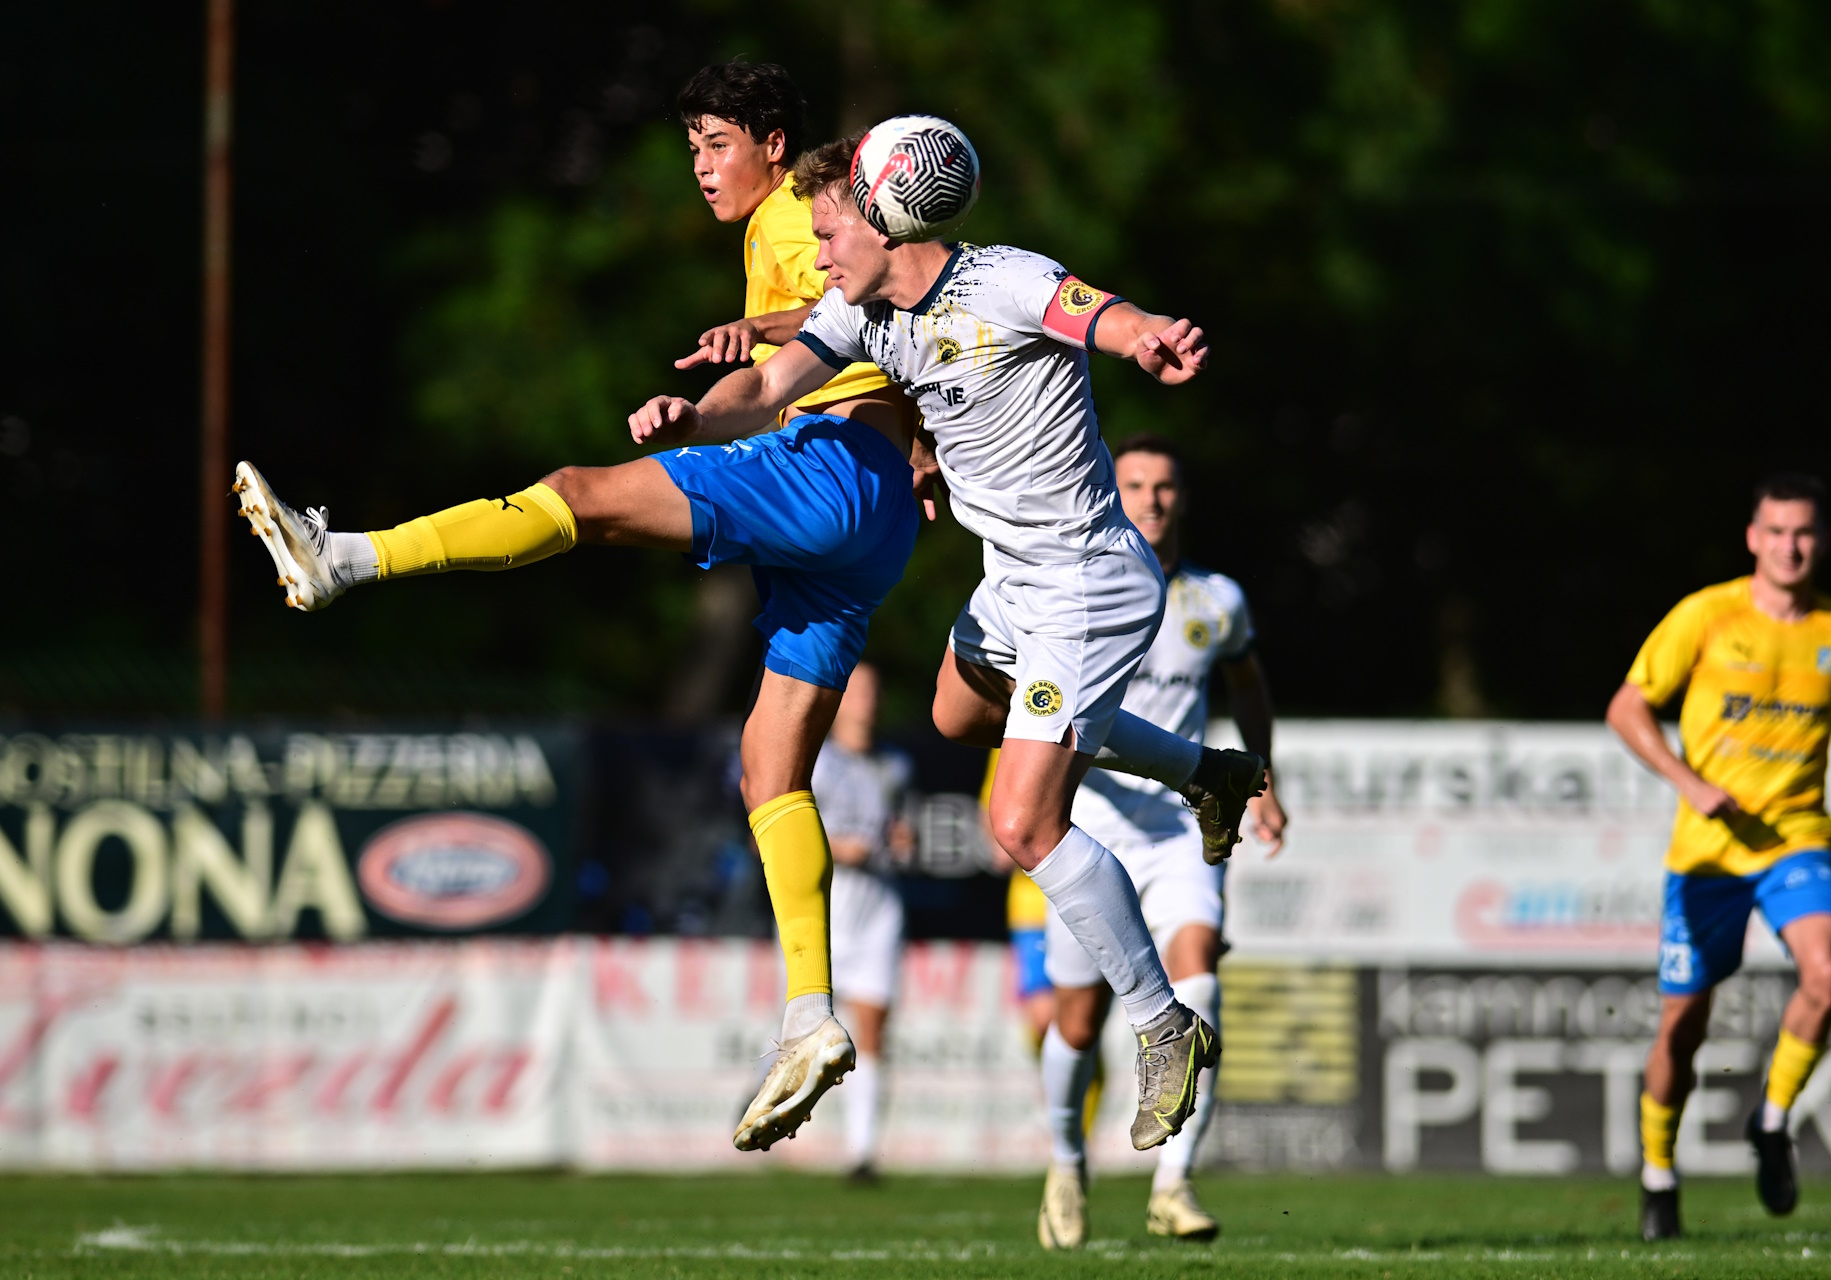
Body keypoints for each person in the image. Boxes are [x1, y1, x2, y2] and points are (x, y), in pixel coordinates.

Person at [232, 62, 928, 1154]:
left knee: (578, 496)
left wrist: (767, 332)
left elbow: (867, 298)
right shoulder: (787, 227)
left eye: (717, 143)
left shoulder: (803, 207)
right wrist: (711, 412)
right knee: (769, 767)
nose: (702, 167)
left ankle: (345, 558)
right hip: (874, 520)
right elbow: (845, 351)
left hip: (829, 467)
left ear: (774, 144)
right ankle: (809, 1014)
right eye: (692, 148)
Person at [627, 124, 1267, 1153]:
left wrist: (1148, 334)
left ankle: (1164, 1023)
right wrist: (692, 418)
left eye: (827, 231)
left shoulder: (1003, 279)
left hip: (1086, 585)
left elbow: (1097, 313)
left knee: (1022, 822)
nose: (817, 252)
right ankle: (1207, 773)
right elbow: (767, 386)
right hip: (1012, 581)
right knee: (957, 714)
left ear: (885, 218)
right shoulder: (862, 313)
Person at [1605, 473, 1831, 1242]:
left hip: (1796, 838)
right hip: (1708, 855)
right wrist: (1688, 783)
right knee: (1682, 1029)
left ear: (1822, 541)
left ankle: (1771, 1120)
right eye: (1777, 532)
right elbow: (1627, 709)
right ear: (1753, 538)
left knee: (1827, 972)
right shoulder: (1706, 614)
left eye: (1804, 533)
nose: (1790, 547)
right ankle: (1658, 1175)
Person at [1035, 434, 1288, 1249]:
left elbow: (1246, 682)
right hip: (1088, 823)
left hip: (1181, 825)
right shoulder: (1081, 589)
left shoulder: (1217, 600)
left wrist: (1267, 778)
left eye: (1165, 486)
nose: (1151, 499)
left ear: (1183, 498)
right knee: (1078, 1023)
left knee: (1199, 975)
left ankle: (1174, 1183)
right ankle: (1066, 1163)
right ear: (1113, 491)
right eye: (1136, 484)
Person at [808, 662, 913, 1180]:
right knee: (808, 1023)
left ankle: (862, 1153)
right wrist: (832, 848)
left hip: (878, 904)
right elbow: (778, 834)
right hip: (826, 902)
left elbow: (900, 833)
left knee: (871, 1026)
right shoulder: (816, 762)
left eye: (874, 691)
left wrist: (902, 842)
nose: (867, 702)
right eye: (858, 691)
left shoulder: (895, 766)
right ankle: (760, 1093)